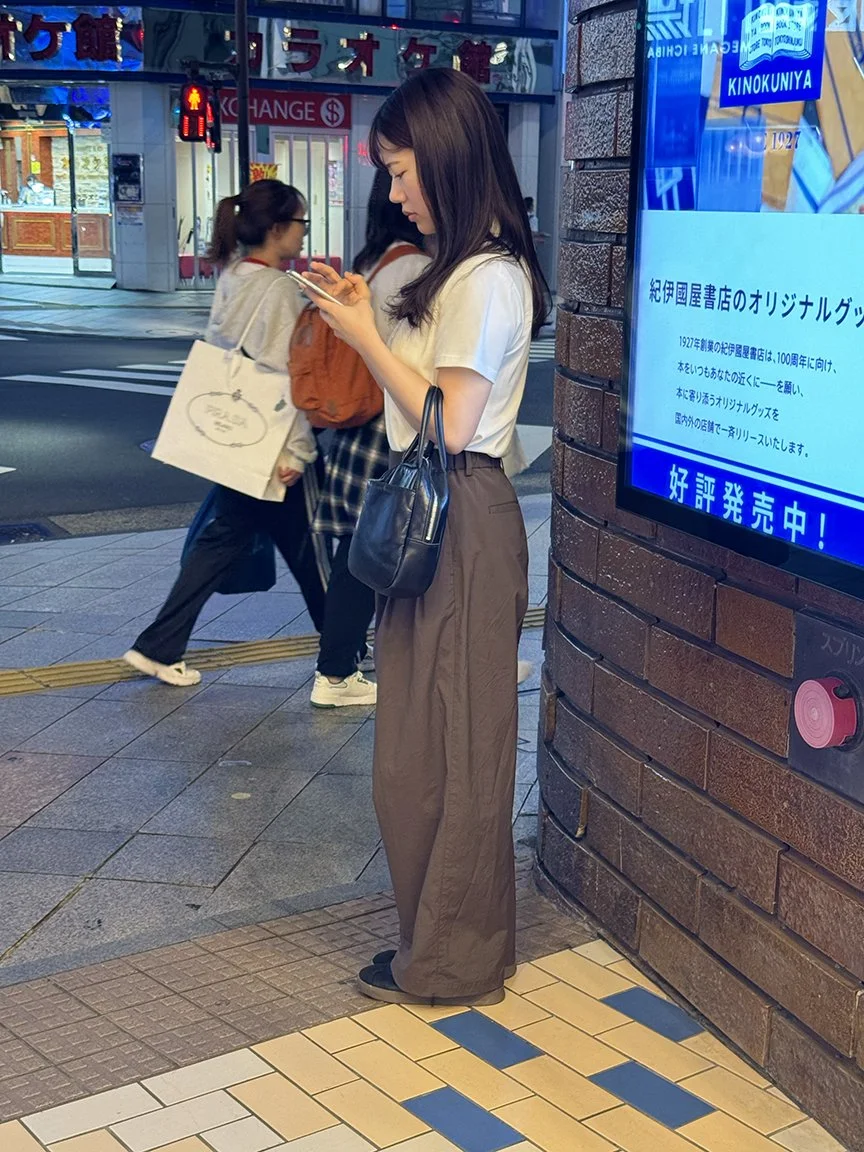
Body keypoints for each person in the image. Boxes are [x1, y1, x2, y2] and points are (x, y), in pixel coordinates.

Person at [304, 68, 550, 1007]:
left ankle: (455, 958)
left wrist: (366, 334)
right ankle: (434, 941)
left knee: (459, 747)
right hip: (437, 515)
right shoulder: (456, 270)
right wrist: (368, 310)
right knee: (417, 752)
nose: (394, 191)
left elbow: (448, 424)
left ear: (445, 160)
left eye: (402, 171)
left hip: (463, 515)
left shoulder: (488, 277)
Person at [124, 180, 327, 687]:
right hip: (270, 442)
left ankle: (159, 645)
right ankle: (343, 651)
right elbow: (289, 375)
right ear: (277, 228)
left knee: (252, 541)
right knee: (303, 548)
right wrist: (298, 449)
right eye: (300, 224)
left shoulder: (235, 274)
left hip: (239, 436)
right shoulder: (280, 290)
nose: (303, 234)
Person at [310, 170, 428, 709]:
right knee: (378, 550)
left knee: (356, 551)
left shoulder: (368, 265)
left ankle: (339, 666)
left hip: (358, 425)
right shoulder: (415, 268)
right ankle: (337, 672)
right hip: (389, 424)